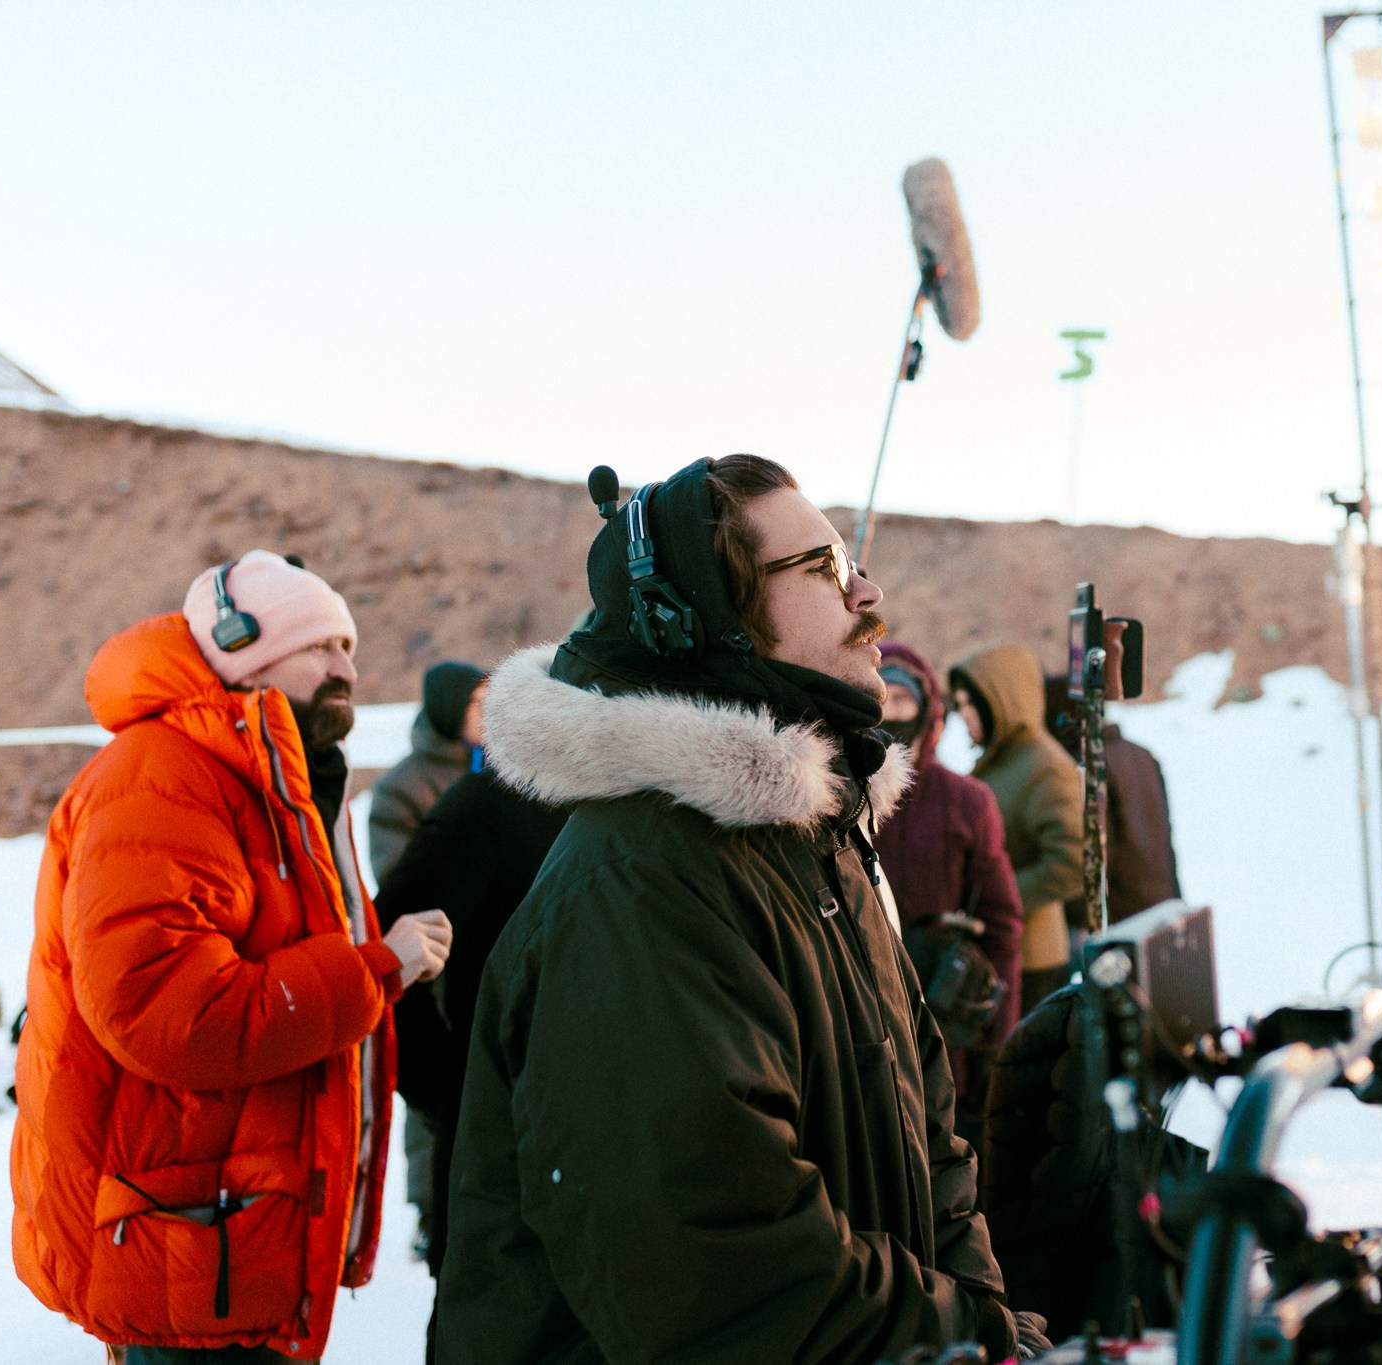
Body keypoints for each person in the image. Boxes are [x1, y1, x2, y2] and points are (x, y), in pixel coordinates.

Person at [435, 456, 1031, 1364]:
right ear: (707, 621)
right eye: (826, 569)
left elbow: (931, 1145)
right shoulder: (639, 889)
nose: (868, 591)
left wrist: (979, 1316)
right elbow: (729, 1272)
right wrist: (970, 1334)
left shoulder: (819, 845)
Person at [10, 550, 453, 1363]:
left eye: (349, 646)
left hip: (231, 1232)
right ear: (245, 650)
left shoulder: (277, 776)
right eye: (320, 645)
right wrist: (375, 968)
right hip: (185, 1247)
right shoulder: (163, 776)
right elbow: (170, 1013)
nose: (346, 666)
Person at [372, 728, 570, 1357]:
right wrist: (454, 1090)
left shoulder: (678, 806)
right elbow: (385, 960)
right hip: (503, 1171)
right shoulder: (494, 804)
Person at [870, 641, 1024, 1149]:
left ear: (928, 708)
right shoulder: (836, 793)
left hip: (944, 1021)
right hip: (863, 1021)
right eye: (881, 697)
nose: (892, 711)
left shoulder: (966, 801)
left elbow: (1002, 921)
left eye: (904, 699)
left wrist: (995, 1032)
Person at [367, 657, 486, 1263]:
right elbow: (401, 879)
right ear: (448, 711)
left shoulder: (496, 771)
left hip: (484, 957)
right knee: (434, 1091)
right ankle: (429, 1210)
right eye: (475, 705)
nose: (486, 716)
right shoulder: (405, 786)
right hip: (431, 961)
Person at [949, 644, 1085, 1018]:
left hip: (1033, 959)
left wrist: (1003, 902)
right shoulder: (1001, 759)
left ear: (1002, 701)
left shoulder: (1045, 766)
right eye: (958, 704)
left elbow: (1074, 861)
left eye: (971, 704)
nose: (963, 714)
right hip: (997, 949)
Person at [1043, 675, 1183, 929]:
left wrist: (1077, 923)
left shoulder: (1087, 768)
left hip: (1123, 920)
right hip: (1162, 906)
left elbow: (1095, 856)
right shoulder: (1141, 754)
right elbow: (1165, 840)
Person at [368, 660, 487, 882]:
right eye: (479, 703)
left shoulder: (501, 767)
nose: (489, 713)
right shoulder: (398, 788)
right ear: (452, 708)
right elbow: (396, 880)